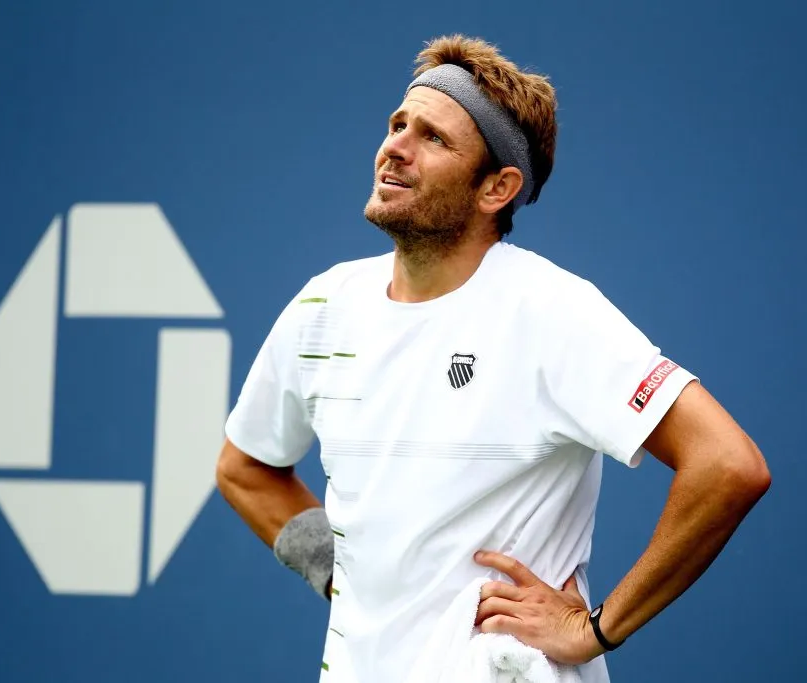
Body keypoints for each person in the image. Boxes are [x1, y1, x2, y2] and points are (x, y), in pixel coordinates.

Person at [215, 34, 771, 682]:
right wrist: (339, 570)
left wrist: (595, 627)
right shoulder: (322, 306)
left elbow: (727, 464)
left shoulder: (548, 310)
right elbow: (245, 466)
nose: (395, 146)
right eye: (398, 124)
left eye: (434, 138)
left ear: (496, 188)